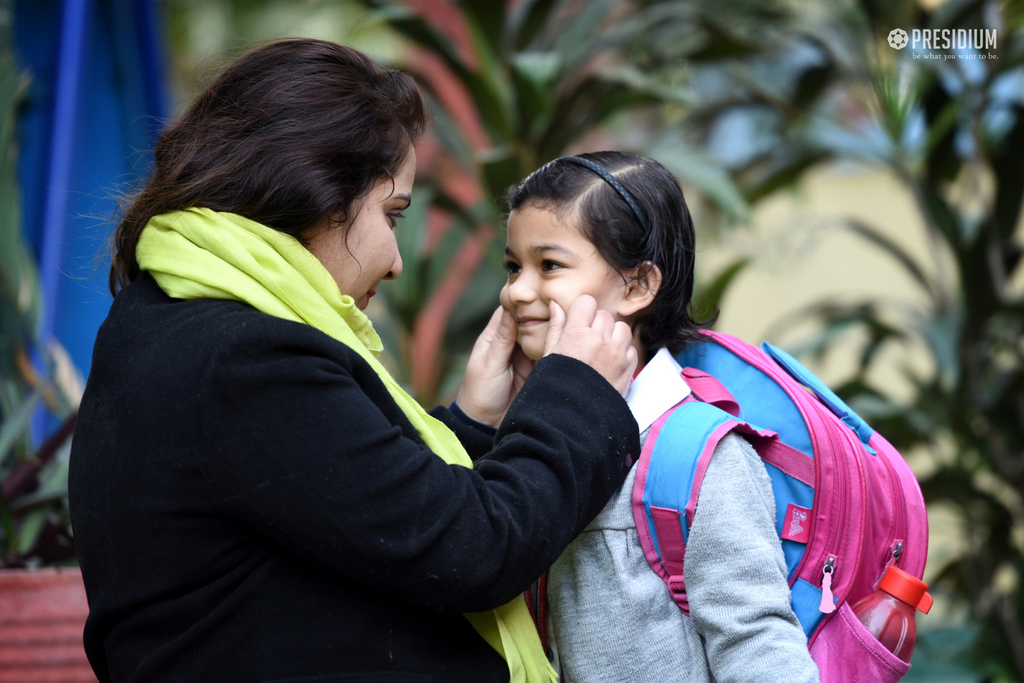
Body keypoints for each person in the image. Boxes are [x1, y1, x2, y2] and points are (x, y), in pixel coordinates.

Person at [67, 39, 641, 683]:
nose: (396, 263)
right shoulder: (245, 359)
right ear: (316, 191)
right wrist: (577, 397)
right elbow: (474, 552)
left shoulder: (170, 325)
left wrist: (470, 429)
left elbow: (346, 513)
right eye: (392, 214)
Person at [500, 151, 821, 682]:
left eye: (548, 265)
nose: (516, 291)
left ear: (637, 287)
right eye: (513, 266)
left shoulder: (698, 456)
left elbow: (757, 643)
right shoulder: (535, 432)